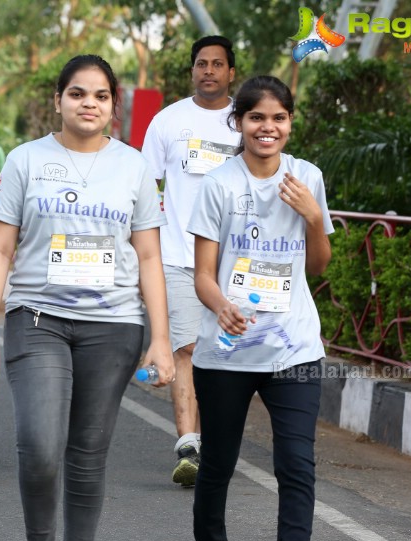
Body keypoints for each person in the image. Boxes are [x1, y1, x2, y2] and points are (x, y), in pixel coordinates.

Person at [0, 55, 174, 541]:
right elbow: (1, 251)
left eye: (101, 96)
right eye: (78, 93)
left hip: (114, 326)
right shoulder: (26, 160)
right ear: (57, 99)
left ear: (113, 105)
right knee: (39, 444)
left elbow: (150, 255)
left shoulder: (133, 168)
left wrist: (161, 338)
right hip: (37, 319)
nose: (89, 104)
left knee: (87, 454)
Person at [188, 75, 333, 541]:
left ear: (290, 122)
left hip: (295, 347)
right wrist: (221, 303)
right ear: (239, 123)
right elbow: (203, 274)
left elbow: (318, 266)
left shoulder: (309, 178)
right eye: (256, 118)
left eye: (278, 118)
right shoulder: (219, 185)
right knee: (219, 463)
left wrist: (314, 217)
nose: (267, 128)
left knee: (297, 466)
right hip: (227, 350)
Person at [141, 35, 240, 488]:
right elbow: (145, 189)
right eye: (201, 64)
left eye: (218, 64)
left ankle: (214, 440)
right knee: (187, 350)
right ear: (192, 71)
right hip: (178, 255)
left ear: (231, 73)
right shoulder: (167, 122)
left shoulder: (247, 121)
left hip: (235, 262)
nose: (209, 71)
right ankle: (188, 445)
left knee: (222, 355)